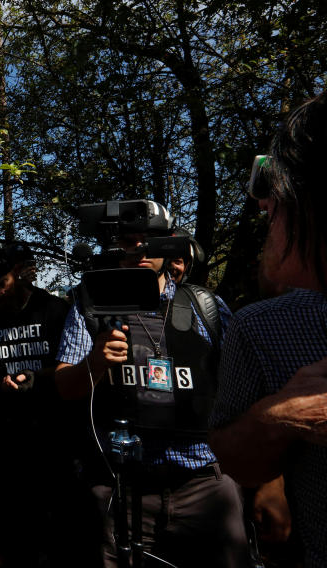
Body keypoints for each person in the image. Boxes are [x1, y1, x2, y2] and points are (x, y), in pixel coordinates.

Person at [54, 199, 250, 567]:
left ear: (172, 245)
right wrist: (93, 364)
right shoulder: (90, 307)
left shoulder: (204, 306)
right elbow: (65, 386)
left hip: (204, 486)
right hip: (122, 489)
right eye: (129, 240)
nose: (141, 249)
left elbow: (242, 390)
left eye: (152, 240)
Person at [208, 94, 327, 566]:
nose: (261, 200)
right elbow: (235, 459)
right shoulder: (261, 326)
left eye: (275, 181)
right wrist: (279, 417)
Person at [0, 243, 88, 566]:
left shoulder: (53, 310)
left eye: (1, 285)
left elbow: (74, 366)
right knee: (19, 526)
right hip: (11, 437)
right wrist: (0, 384)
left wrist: (37, 378)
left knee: (61, 524)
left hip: (56, 431)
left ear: (18, 275)